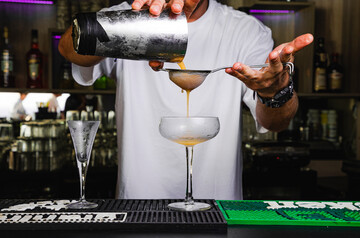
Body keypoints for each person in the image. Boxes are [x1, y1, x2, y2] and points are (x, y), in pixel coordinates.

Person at [58, 0, 313, 200]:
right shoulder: (128, 13)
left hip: (216, 207)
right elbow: (68, 49)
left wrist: (275, 91)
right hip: (137, 204)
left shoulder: (245, 31)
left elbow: (274, 123)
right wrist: (132, 25)